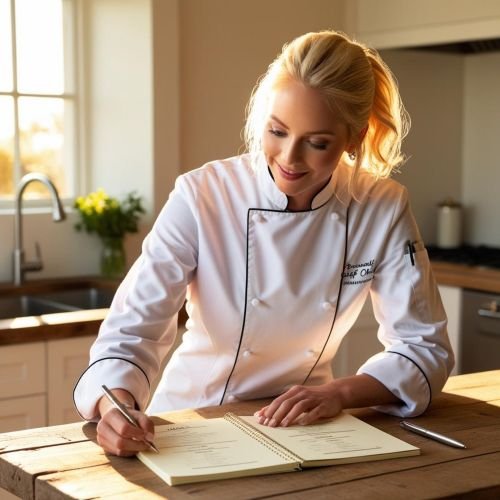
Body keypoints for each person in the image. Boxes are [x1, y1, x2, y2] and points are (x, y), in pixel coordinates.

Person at [74, 30, 454, 456]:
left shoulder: (380, 206)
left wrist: (340, 394)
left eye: (317, 143)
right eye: (277, 131)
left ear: (354, 137)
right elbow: (132, 329)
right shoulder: (203, 194)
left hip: (306, 429)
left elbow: (424, 347)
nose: (289, 158)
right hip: (189, 425)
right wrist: (116, 407)